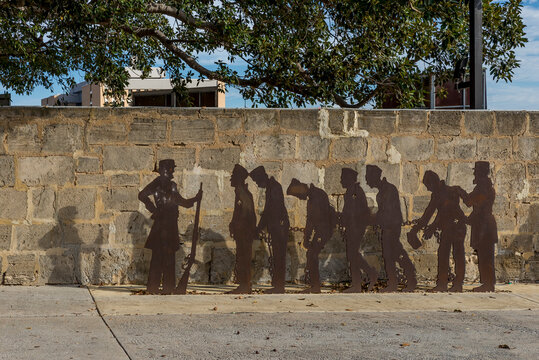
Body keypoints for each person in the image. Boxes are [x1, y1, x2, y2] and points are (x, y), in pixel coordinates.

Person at [138, 159, 202, 294]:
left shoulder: (162, 184)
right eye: (171, 169)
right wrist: (154, 210)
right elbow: (142, 195)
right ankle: (164, 287)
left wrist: (195, 199)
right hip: (166, 224)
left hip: (165, 224)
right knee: (164, 257)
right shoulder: (167, 185)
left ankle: (159, 287)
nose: (172, 172)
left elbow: (180, 201)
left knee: (162, 257)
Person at [411, 171, 466, 292]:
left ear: (433, 182)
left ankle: (452, 284)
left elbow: (442, 212)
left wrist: (431, 227)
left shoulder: (446, 192)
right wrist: (417, 229)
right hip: (452, 227)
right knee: (448, 254)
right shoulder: (442, 193)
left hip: (455, 226)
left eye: (428, 186)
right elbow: (429, 214)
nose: (428, 189)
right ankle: (447, 284)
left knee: (453, 254)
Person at [365, 165, 416, 292]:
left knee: (395, 254)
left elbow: (387, 213)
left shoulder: (388, 190)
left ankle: (409, 280)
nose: (366, 181)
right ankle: (395, 282)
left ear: (374, 177)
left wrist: (372, 217)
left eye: (368, 178)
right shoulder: (382, 192)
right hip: (387, 227)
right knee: (391, 255)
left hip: (391, 228)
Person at [287, 178, 336, 293]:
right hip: (321, 230)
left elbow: (312, 220)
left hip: (323, 231)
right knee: (311, 255)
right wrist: (307, 238)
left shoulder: (316, 196)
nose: (299, 198)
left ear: (301, 188)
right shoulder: (315, 195)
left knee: (312, 255)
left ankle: (315, 287)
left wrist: (306, 238)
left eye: (298, 195)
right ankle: (314, 285)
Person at [457, 161, 497, 292]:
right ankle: (487, 283)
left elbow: (470, 202)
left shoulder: (483, 188)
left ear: (480, 172)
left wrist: (460, 191)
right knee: (485, 254)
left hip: (484, 226)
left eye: (476, 171)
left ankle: (488, 284)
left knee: (486, 255)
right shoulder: (484, 187)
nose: (474, 173)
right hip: (483, 223)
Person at [250, 166, 290, 294]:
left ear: (262, 177)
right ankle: (278, 285)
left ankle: (279, 286)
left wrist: (260, 227)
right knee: (277, 256)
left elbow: (271, 209)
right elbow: (269, 210)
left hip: (279, 227)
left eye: (256, 181)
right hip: (276, 227)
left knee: (279, 257)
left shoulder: (274, 187)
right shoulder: (271, 187)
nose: (257, 184)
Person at [340, 168, 378, 292]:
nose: (341, 180)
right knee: (352, 254)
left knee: (352, 254)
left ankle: (359, 283)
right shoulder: (351, 191)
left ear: (349, 179)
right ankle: (367, 275)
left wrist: (347, 226)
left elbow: (353, 213)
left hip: (356, 227)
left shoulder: (355, 191)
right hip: (353, 227)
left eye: (343, 178)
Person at [228, 164, 257, 294]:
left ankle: (244, 286)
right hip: (243, 231)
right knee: (242, 257)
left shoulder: (242, 192)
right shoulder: (241, 192)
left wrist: (237, 227)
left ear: (239, 178)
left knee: (243, 257)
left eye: (233, 176)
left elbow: (246, 213)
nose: (230, 179)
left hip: (244, 232)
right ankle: (243, 285)